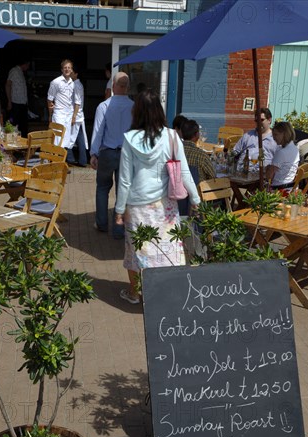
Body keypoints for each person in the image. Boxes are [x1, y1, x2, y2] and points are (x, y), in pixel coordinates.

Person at [115, 89, 200, 305]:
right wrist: (195, 199)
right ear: (159, 111)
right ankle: (167, 296)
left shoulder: (129, 139)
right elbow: (184, 172)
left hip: (136, 205)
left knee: (136, 251)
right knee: (169, 249)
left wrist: (118, 209)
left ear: (137, 112)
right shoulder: (172, 136)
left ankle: (136, 294)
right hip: (166, 205)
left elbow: (124, 179)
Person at [90, 72, 134, 239]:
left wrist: (94, 153)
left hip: (107, 152)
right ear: (127, 87)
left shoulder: (104, 106)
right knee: (122, 191)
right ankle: (118, 228)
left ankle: (101, 224)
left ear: (114, 86)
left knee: (102, 188)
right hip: (126, 153)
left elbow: (98, 131)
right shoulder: (133, 106)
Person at [180, 119, 215, 215]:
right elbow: (213, 177)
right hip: (196, 203)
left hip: (176, 199)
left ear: (181, 134)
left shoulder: (173, 152)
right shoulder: (201, 155)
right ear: (197, 135)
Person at [47, 59, 75, 151]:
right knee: (57, 139)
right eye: (65, 68)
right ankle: (55, 160)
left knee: (66, 140)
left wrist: (73, 115)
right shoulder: (55, 82)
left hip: (69, 114)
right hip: (59, 113)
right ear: (62, 70)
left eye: (69, 68)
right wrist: (50, 115)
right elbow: (50, 99)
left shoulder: (72, 83)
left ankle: (62, 161)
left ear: (71, 70)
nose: (67, 69)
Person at [266, 121, 300, 190]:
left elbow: (269, 176)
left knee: (251, 194)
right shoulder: (295, 148)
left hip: (278, 190)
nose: (274, 138)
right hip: (290, 188)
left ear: (284, 134)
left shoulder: (282, 152)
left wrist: (267, 168)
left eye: (276, 135)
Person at [5, 58, 30, 137]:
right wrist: (9, 101)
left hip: (22, 102)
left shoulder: (21, 72)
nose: (28, 67)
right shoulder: (14, 71)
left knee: (23, 125)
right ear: (24, 64)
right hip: (16, 102)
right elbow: (8, 85)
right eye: (28, 65)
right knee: (15, 124)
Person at [68, 69, 88, 167]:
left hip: (75, 115)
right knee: (79, 137)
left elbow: (77, 102)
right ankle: (82, 160)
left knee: (70, 137)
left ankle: (71, 158)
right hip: (78, 115)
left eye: (72, 72)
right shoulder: (78, 84)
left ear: (76, 74)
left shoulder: (75, 85)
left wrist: (74, 116)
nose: (69, 74)